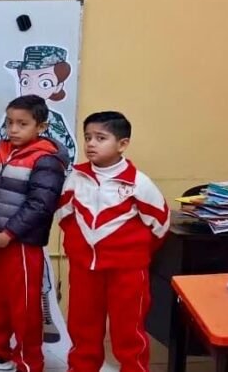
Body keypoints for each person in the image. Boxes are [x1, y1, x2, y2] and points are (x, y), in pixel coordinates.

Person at [56, 111, 169, 372]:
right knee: (83, 326)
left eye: (100, 138)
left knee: (128, 329)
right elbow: (64, 216)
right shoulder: (76, 178)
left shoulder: (139, 183)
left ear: (122, 144)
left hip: (127, 272)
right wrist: (79, 249)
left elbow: (160, 226)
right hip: (85, 270)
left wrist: (132, 255)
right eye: (87, 137)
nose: (91, 144)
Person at [0, 95, 67, 372]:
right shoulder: (2, 152)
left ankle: (29, 361)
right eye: (9, 122)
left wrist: (8, 234)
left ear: (41, 127)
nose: (13, 129)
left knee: (24, 306)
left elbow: (40, 205)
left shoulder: (47, 160)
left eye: (22, 124)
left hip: (21, 244)